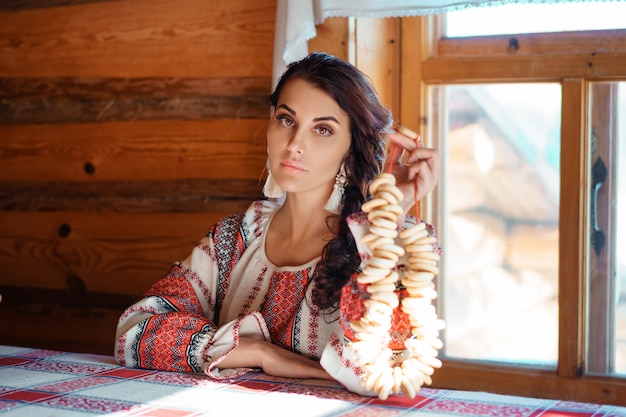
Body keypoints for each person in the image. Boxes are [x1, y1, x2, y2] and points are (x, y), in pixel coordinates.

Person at [114, 52, 440, 396]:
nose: (295, 144)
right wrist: (261, 352)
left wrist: (391, 215)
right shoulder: (234, 238)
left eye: (323, 129)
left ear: (351, 149)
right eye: (286, 120)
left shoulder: (386, 244)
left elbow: (382, 373)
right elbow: (133, 332)